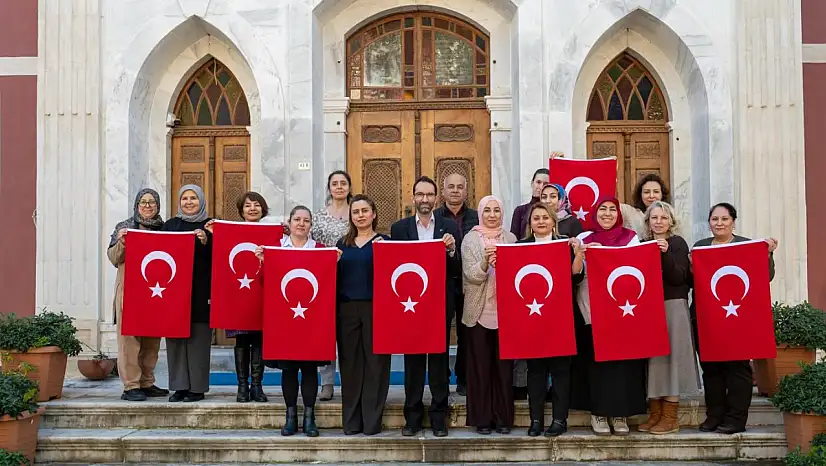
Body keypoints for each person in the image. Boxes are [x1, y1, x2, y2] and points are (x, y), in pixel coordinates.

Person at [691, 202, 778, 435]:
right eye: (714, 219)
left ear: (733, 222)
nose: (719, 223)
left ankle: (736, 418)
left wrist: (767, 253)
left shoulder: (746, 246)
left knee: (737, 370)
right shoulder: (699, 247)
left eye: (724, 219)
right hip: (706, 319)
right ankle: (714, 416)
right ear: (709, 222)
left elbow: (765, 276)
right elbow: (692, 282)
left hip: (738, 319)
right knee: (711, 370)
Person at [390, 176, 460, 437]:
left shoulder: (449, 226)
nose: (425, 199)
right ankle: (413, 416)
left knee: (439, 363)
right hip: (410, 306)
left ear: (436, 198)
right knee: (414, 364)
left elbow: (456, 270)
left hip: (439, 304)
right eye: (420, 194)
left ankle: (439, 416)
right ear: (413, 197)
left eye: (429, 195)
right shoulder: (399, 229)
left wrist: (452, 251)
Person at [571, 197, 647, 435]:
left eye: (612, 209)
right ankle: (599, 414)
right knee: (597, 364)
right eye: (602, 209)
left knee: (622, 365)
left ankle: (620, 414)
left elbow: (637, 269)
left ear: (618, 214)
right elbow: (574, 275)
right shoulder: (584, 239)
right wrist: (580, 255)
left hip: (623, 311)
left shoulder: (630, 239)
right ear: (595, 213)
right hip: (592, 310)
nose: (607, 214)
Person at [257, 206, 328, 437]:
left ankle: (309, 417)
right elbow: (263, 284)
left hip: (311, 321)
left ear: (311, 225)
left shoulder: (320, 249)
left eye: (306, 220)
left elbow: (327, 284)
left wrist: (333, 263)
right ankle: (290, 417)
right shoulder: (276, 249)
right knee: (288, 371)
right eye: (297, 219)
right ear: (289, 222)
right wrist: (262, 263)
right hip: (284, 320)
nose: (301, 224)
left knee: (309, 369)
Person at [517, 203, 585, 437]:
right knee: (535, 372)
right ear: (530, 223)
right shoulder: (519, 247)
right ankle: (535, 420)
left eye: (545, 217)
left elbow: (576, 276)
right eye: (536, 218)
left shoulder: (564, 243)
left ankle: (559, 420)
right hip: (531, 319)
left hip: (562, 318)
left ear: (553, 220)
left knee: (560, 372)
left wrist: (578, 255)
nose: (541, 221)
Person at [638, 201, 700, 435]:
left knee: (672, 359)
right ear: (648, 222)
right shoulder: (642, 244)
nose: (658, 222)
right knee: (654, 361)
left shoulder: (677, 243)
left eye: (663, 218)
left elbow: (678, 277)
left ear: (671, 222)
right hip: (649, 308)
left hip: (673, 305)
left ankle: (670, 416)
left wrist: (663, 253)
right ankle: (655, 413)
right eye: (654, 218)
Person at [460, 195, 516, 434]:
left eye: (496, 210)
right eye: (487, 211)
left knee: (504, 369)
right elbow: (471, 275)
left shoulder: (511, 238)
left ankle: (503, 419)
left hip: (505, 313)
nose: (492, 215)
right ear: (480, 213)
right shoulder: (470, 239)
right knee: (481, 368)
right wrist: (485, 262)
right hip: (478, 312)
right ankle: (482, 419)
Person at [336, 194, 391, 435]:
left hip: (377, 309)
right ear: (351, 216)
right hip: (347, 310)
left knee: (376, 365)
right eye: (355, 211)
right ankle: (351, 422)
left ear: (373, 214)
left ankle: (371, 422)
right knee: (350, 365)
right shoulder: (341, 245)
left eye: (364, 211)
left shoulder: (386, 242)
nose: (360, 215)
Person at [107, 188, 168, 401]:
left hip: (155, 292)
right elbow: (114, 258)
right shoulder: (125, 227)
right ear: (137, 205)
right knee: (129, 342)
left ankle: (147, 382)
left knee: (152, 340)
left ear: (158, 206)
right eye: (143, 202)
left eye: (152, 202)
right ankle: (131, 386)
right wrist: (122, 242)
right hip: (129, 293)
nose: (147, 205)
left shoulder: (164, 229)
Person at [214, 192, 270, 403]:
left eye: (257, 205)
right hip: (237, 294)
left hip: (261, 293)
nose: (253, 209)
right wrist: (214, 232)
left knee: (258, 339)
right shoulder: (231, 232)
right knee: (241, 339)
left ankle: (257, 386)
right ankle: (242, 386)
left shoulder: (271, 233)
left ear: (263, 209)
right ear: (241, 210)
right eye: (248, 205)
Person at [163, 185, 213, 403]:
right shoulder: (170, 225)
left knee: (198, 340)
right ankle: (179, 386)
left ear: (201, 201)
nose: (189, 202)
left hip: (201, 292)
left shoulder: (211, 226)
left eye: (193, 198)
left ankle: (197, 388)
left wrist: (206, 241)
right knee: (175, 341)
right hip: (172, 291)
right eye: (185, 198)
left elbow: (220, 255)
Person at [434, 173, 479, 396]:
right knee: (440, 332)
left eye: (459, 186)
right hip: (441, 285)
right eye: (450, 186)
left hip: (471, 284)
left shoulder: (477, 218)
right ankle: (441, 378)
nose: (455, 190)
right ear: (443, 191)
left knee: (467, 333)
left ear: (466, 190)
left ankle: (463, 378)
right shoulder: (433, 218)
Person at [311, 170, 353, 401]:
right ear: (329, 188)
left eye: (343, 183)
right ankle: (326, 383)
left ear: (349, 187)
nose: (339, 187)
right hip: (324, 280)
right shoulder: (318, 216)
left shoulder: (356, 212)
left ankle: (350, 380)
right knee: (325, 332)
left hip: (350, 278)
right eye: (334, 183)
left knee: (347, 333)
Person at [510, 168, 550, 238]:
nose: (541, 187)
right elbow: (514, 239)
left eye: (545, 184)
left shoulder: (552, 210)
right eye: (538, 182)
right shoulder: (520, 210)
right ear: (532, 183)